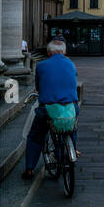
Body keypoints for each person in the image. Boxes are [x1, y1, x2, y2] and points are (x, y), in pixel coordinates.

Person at [21, 38, 80, 179]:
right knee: (71, 125)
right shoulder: (71, 64)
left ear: (48, 53)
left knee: (35, 136)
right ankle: (73, 149)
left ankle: (29, 169)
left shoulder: (42, 66)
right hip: (70, 105)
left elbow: (38, 87)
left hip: (48, 108)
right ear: (64, 52)